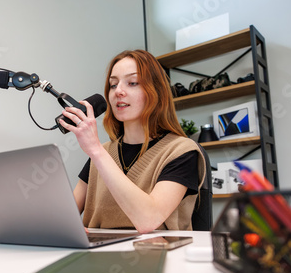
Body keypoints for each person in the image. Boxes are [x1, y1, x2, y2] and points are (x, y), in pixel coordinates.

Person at [58, 49, 206, 233]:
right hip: (98, 256)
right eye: (113, 85)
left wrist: (95, 151)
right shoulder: (102, 152)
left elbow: (148, 220)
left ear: (156, 91)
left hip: (157, 256)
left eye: (133, 83)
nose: (118, 91)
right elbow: (64, 219)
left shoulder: (181, 151)